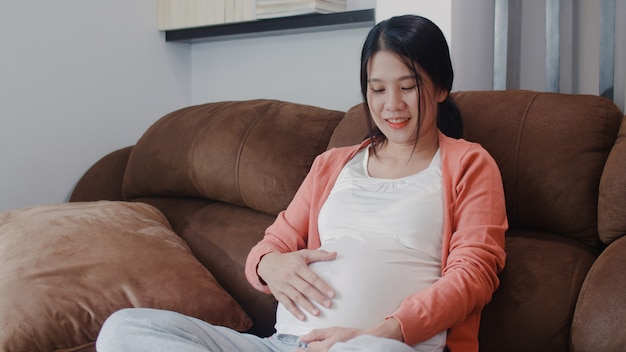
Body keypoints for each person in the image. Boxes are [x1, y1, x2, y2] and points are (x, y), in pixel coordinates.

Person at [96, 14, 507, 352]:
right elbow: (271, 243)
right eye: (377, 89)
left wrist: (383, 332)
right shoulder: (332, 164)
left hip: (383, 347)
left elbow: (473, 276)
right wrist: (266, 264)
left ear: (440, 88)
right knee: (124, 329)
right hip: (284, 345)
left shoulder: (469, 163)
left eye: (408, 86)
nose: (391, 105)